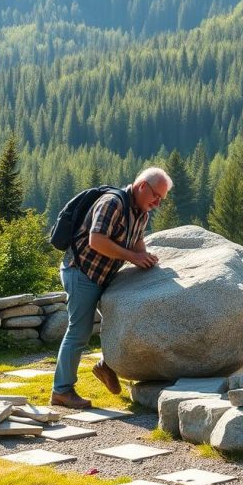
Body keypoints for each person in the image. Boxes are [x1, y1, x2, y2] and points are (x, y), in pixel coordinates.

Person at [50, 167, 172, 409]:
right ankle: (61, 391)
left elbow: (137, 242)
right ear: (142, 187)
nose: (158, 203)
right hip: (81, 272)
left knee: (125, 322)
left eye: (162, 199)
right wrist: (133, 257)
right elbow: (97, 241)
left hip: (104, 276)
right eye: (156, 196)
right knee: (79, 331)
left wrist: (146, 258)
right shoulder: (112, 203)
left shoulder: (141, 213)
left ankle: (106, 365)